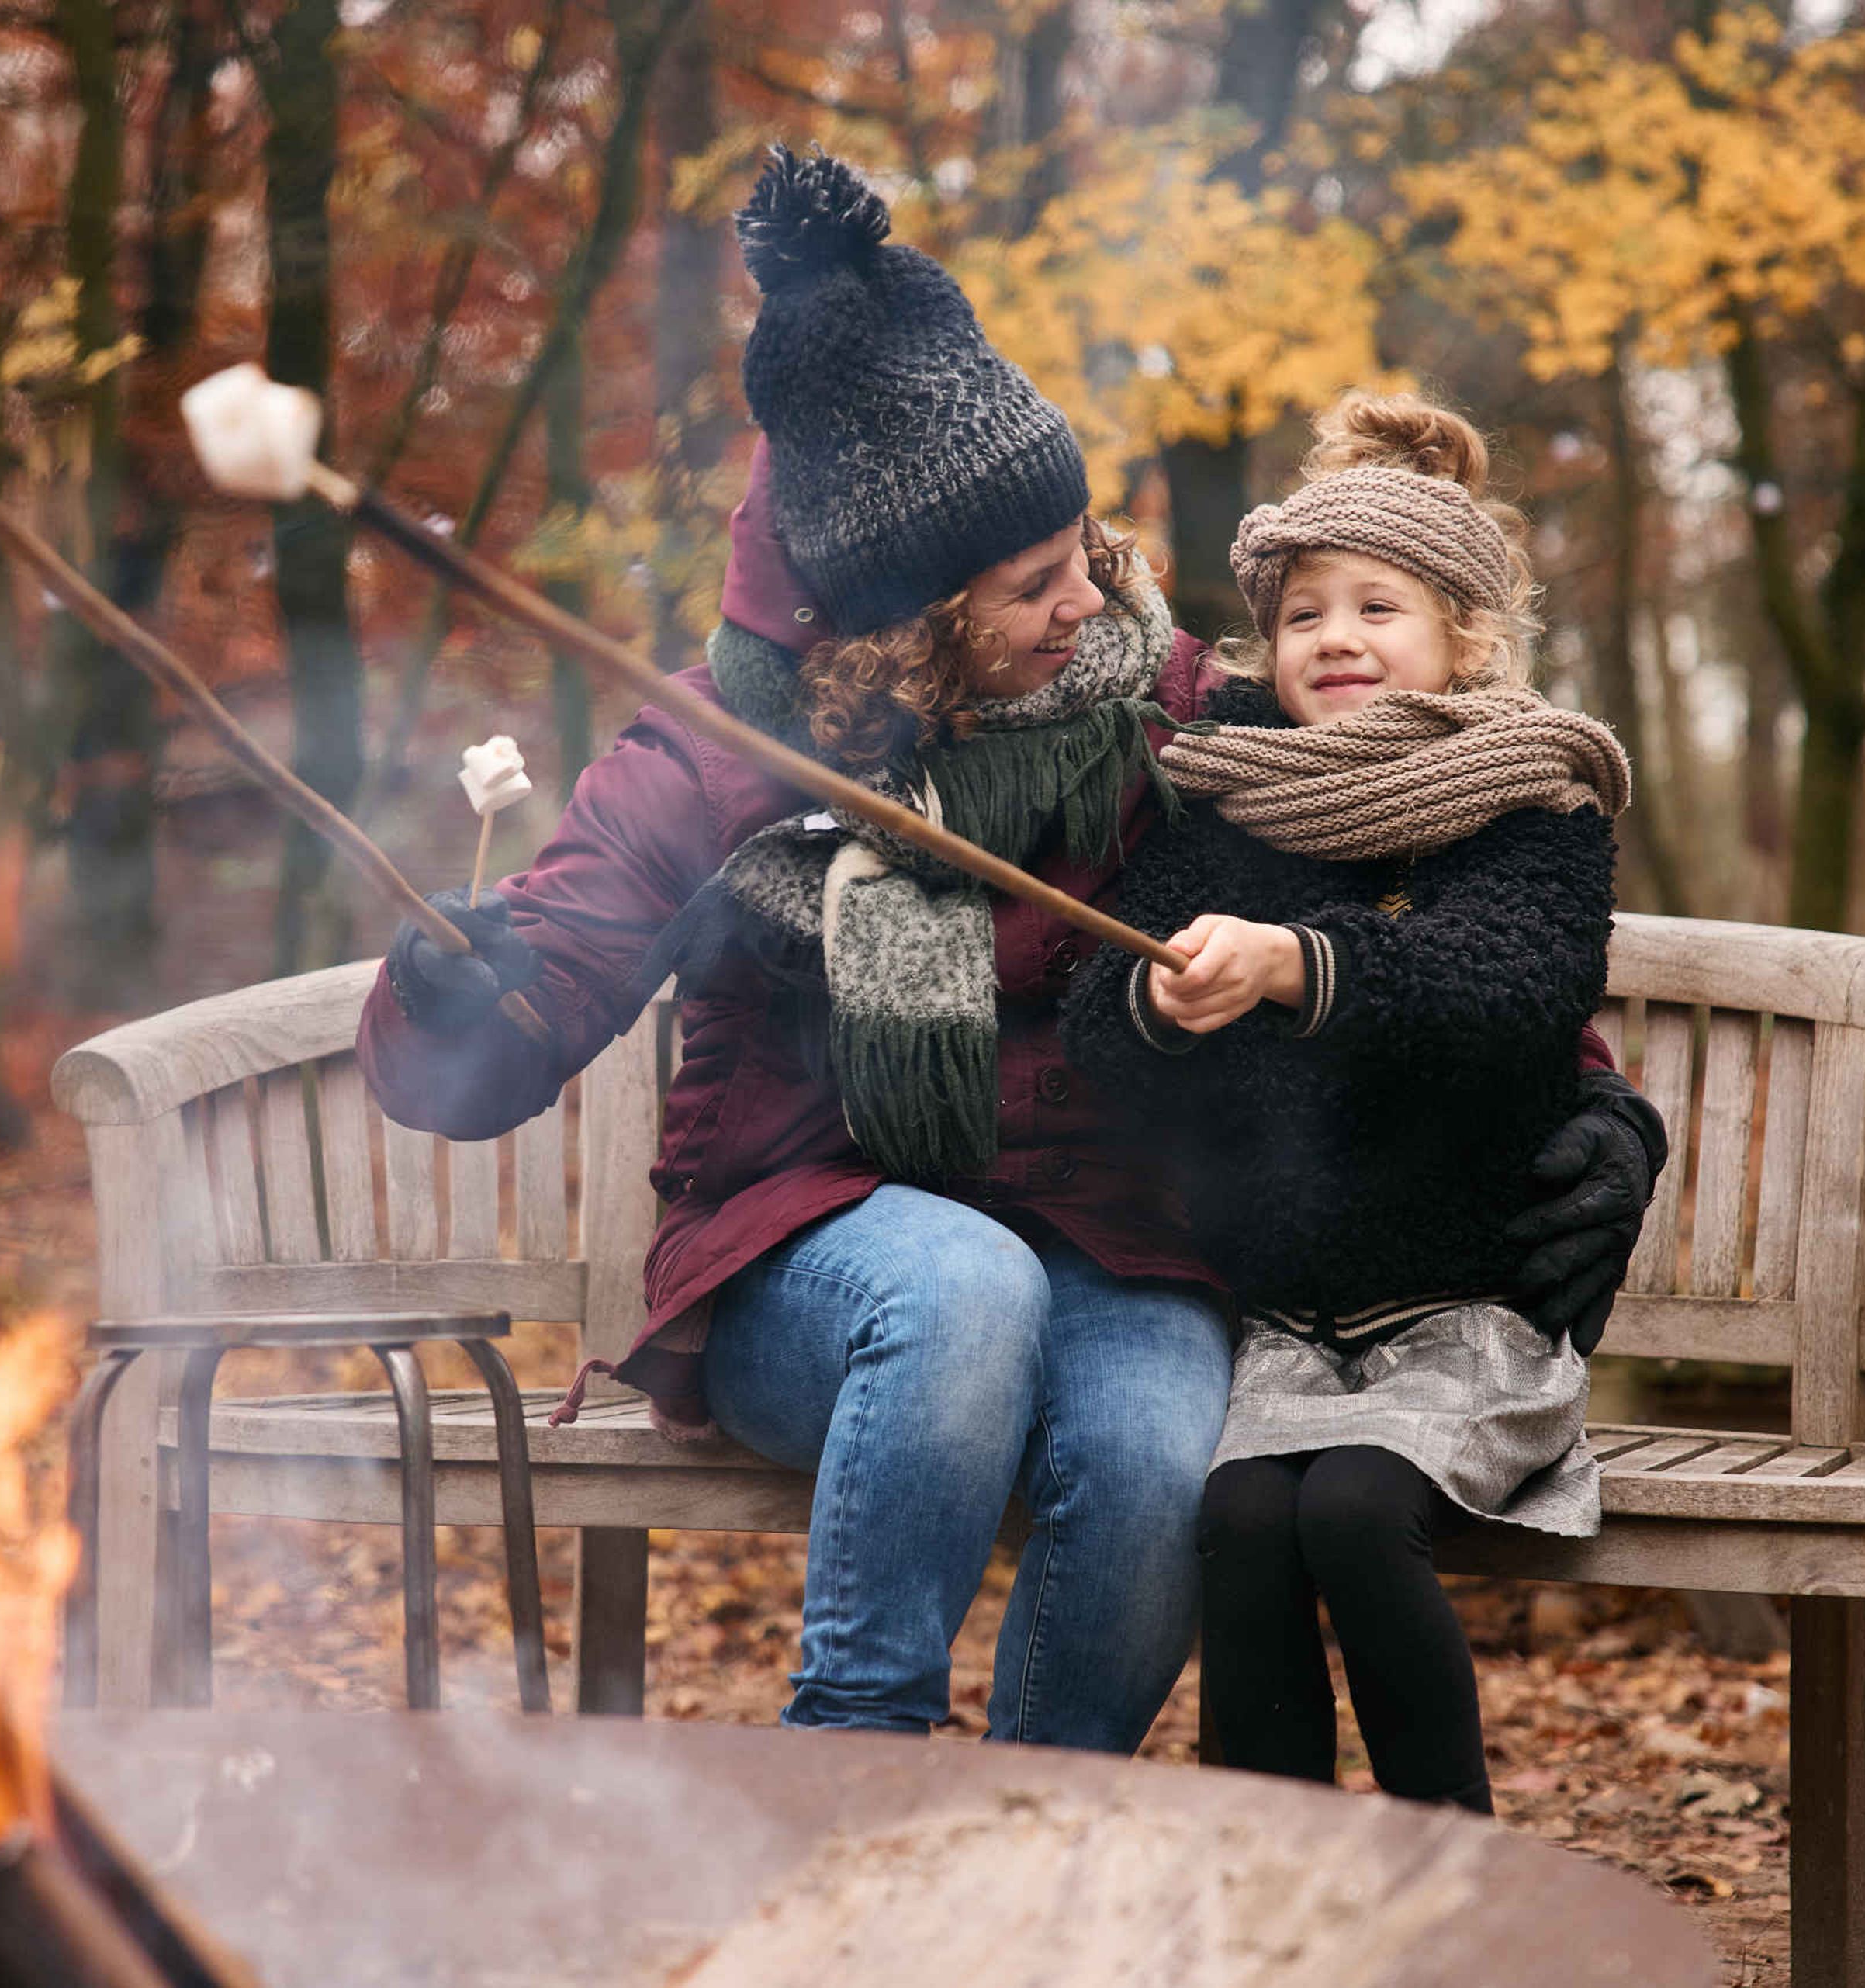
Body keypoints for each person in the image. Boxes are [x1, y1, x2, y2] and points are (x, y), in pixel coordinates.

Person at [358, 149, 1661, 1754]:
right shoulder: (723, 755)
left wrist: (1596, 1104)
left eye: (1087, 551)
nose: (1088, 600)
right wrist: (451, 996)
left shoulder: (1160, 703)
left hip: (1107, 1236)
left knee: (1163, 1431)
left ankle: (1038, 1835)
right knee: (957, 1283)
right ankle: (856, 1770)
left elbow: (1397, 878)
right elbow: (529, 992)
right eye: (1036, 583)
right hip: (808, 1252)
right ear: (914, 622)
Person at [1064, 389, 1649, 1807]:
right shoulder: (1222, 803)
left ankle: (1450, 1880)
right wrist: (1156, 1000)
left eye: (1379, 606)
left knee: (1355, 1506)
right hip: (1289, 1319)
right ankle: (1283, 1889)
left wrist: (1301, 967)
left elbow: (1506, 991)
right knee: (1247, 1514)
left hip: (1468, 1314)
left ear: (1465, 636)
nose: (1336, 637)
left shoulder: (1530, 803)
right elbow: (1096, 1028)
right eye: (1305, 610)